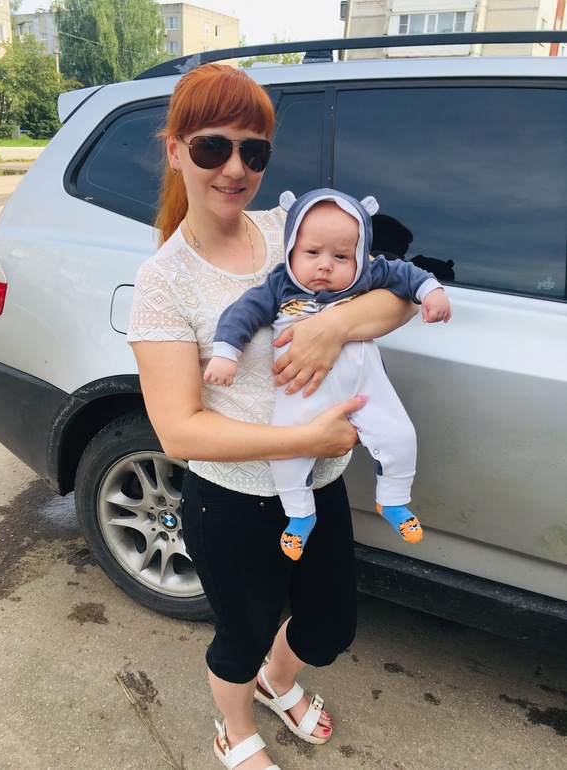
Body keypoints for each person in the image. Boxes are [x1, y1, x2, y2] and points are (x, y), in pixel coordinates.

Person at [128, 63, 417, 770]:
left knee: (330, 627)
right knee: (242, 632)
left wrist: (330, 327)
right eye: (212, 147)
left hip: (319, 483)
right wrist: (304, 437)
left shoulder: (291, 228)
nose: (235, 168)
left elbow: (399, 295)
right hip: (230, 501)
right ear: (176, 151)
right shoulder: (163, 281)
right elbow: (179, 430)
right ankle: (234, 729)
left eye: (253, 151)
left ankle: (276, 681)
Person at [204, 188, 451, 561]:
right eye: (312, 252)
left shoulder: (368, 275)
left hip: (365, 386)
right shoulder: (280, 283)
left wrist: (432, 291)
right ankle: (300, 515)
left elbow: (406, 274)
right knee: (287, 453)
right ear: (291, 250)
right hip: (301, 389)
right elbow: (243, 312)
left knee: (400, 435)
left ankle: (393, 500)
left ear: (359, 256)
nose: (325, 266)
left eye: (340, 256)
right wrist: (226, 353)